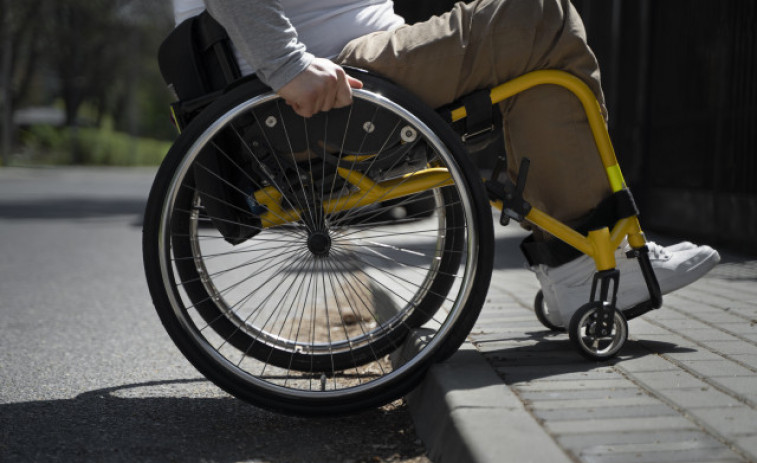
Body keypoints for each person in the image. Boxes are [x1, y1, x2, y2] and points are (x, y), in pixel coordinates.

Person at [171, 0, 720, 328]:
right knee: (542, 15)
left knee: (540, 54)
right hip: (328, 82)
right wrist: (288, 67)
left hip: (358, 63)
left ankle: (582, 262)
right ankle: (584, 262)